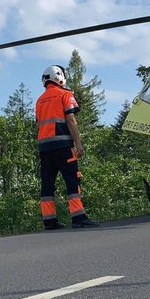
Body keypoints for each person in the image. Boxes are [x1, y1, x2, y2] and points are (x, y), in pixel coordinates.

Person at [35, 65, 99, 230]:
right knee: (72, 179)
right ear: (60, 77)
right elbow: (70, 119)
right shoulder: (65, 94)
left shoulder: (39, 100)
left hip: (44, 148)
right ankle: (78, 217)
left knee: (47, 183)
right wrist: (79, 144)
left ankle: (49, 221)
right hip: (63, 146)